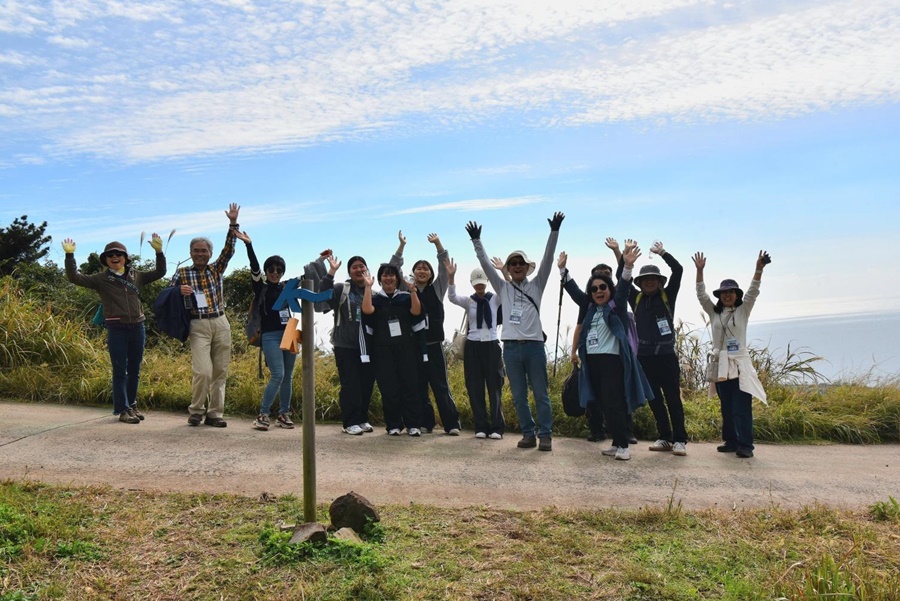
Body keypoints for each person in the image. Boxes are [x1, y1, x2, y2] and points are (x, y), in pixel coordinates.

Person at [466, 212, 564, 452]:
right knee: (519, 396)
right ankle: (528, 434)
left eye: (521, 263)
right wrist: (477, 241)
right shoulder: (503, 287)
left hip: (534, 347)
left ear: (527, 268)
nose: (517, 266)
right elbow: (486, 266)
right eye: (513, 263)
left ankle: (546, 435)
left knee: (540, 393)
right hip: (510, 348)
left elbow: (548, 259)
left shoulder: (537, 284)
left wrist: (554, 232)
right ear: (508, 268)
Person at [559, 247, 653, 461]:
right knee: (602, 403)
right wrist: (563, 270)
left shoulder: (616, 307)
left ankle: (624, 446)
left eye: (603, 287)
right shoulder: (590, 308)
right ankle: (617, 443)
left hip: (612, 362)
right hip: (592, 362)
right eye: (594, 289)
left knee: (614, 403)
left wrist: (627, 266)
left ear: (609, 289)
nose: (599, 291)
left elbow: (624, 290)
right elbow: (574, 291)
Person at [63, 235, 166, 423]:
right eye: (110, 255)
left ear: (126, 258)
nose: (115, 257)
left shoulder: (137, 276)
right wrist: (70, 257)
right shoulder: (101, 279)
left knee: (134, 370)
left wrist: (159, 252)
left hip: (137, 327)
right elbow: (74, 277)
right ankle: (122, 409)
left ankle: (132, 404)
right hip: (116, 328)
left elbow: (160, 272)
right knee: (119, 370)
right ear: (105, 260)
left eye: (119, 254)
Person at [693, 250, 771, 458]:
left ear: (737, 295)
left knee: (741, 406)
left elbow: (753, 291)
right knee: (726, 406)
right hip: (720, 364)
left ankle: (746, 445)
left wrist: (758, 270)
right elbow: (701, 294)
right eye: (723, 292)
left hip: (739, 365)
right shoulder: (714, 312)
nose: (727, 295)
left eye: (731, 292)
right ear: (719, 296)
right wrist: (699, 271)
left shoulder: (743, 310)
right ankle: (731, 440)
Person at [170, 203, 241, 428]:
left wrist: (232, 223)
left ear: (210, 254)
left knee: (220, 371)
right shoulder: (182, 273)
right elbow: (167, 297)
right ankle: (196, 411)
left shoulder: (216, 268)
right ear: (190, 253)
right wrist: (177, 291)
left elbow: (229, 249)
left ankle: (214, 414)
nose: (200, 254)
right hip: (197, 325)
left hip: (220, 321)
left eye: (204, 251)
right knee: (202, 371)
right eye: (196, 251)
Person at [624, 240, 687, 456]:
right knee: (654, 400)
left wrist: (662, 253)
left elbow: (678, 270)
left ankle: (680, 439)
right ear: (639, 283)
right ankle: (665, 437)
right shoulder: (636, 298)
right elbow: (620, 279)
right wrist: (626, 262)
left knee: (672, 398)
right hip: (645, 357)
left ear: (660, 282)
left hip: (666, 355)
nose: (649, 282)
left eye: (653, 279)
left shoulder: (667, 295)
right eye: (645, 279)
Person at [396, 232, 461, 435]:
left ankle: (452, 424)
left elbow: (444, 268)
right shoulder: (405, 291)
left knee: (440, 386)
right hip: (413, 346)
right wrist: (401, 247)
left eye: (426, 269)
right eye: (418, 268)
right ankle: (426, 422)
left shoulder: (437, 288)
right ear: (412, 272)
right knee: (419, 386)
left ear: (431, 274)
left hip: (433, 345)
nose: (422, 271)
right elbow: (393, 269)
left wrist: (438, 245)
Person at [361, 263, 425, 436]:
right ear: (380, 279)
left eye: (391, 275)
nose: (388, 278)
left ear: (397, 279)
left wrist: (413, 291)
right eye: (384, 275)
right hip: (382, 351)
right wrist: (368, 286)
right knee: (389, 388)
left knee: (410, 386)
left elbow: (416, 311)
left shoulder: (405, 297)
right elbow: (367, 311)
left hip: (406, 349)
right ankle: (394, 425)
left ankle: (413, 424)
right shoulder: (374, 299)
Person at [318, 253, 377, 435]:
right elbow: (322, 295)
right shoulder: (341, 289)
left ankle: (361, 418)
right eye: (355, 267)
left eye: (362, 266)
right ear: (349, 272)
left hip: (367, 345)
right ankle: (349, 422)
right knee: (350, 383)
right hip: (345, 344)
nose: (359, 269)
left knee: (366, 383)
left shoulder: (372, 291)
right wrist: (331, 272)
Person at [243, 234, 297, 431]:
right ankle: (263, 415)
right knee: (278, 375)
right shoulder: (261, 288)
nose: (275, 272)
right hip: (270, 335)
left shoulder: (286, 288)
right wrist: (249, 245)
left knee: (288, 376)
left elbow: (306, 279)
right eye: (271, 269)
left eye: (279, 270)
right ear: (266, 271)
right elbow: (254, 268)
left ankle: (284, 414)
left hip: (289, 332)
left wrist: (324, 263)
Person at [446, 260, 505, 439]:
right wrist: (451, 277)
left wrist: (501, 272)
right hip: (473, 346)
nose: (479, 285)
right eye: (476, 282)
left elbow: (505, 288)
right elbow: (452, 297)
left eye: (482, 282)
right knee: (474, 387)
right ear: (472, 283)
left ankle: (497, 427)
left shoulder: (495, 298)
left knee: (495, 386)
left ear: (486, 282)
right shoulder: (468, 301)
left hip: (491, 345)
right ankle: (481, 425)